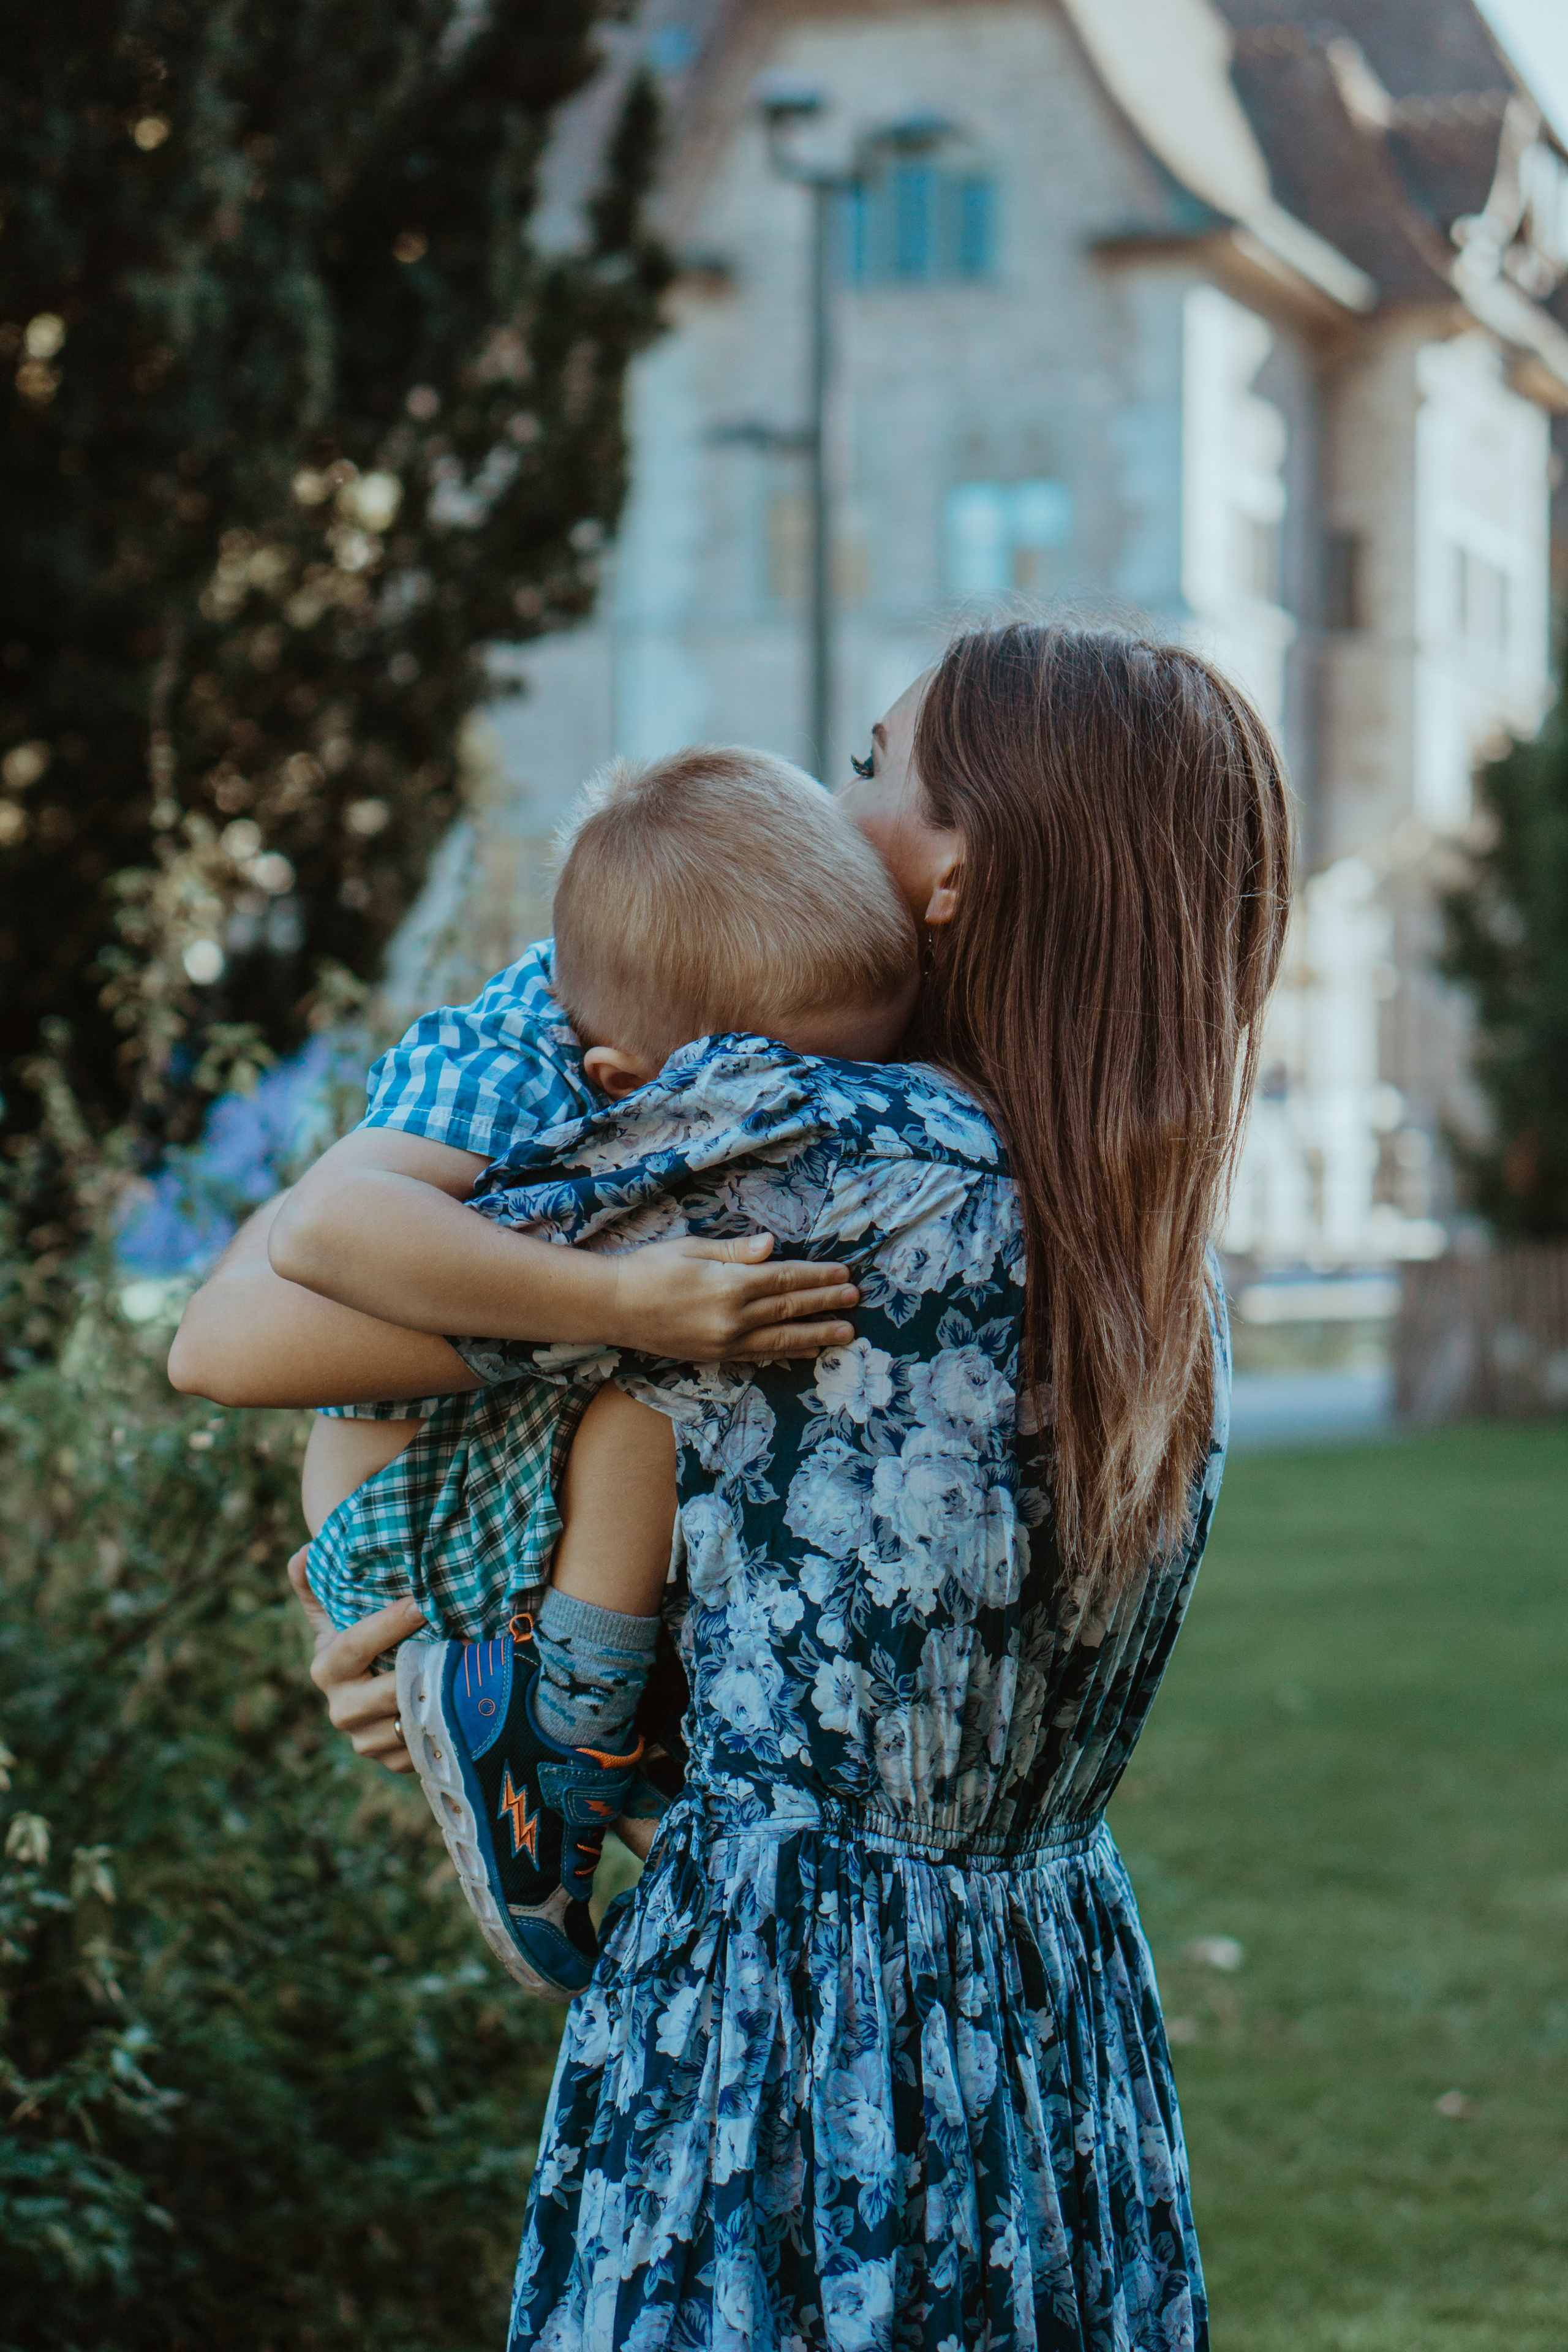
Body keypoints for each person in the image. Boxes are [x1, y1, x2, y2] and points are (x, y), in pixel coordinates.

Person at [176, 620, 1292, 2351]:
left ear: (959, 872)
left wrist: (470, 1088)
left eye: (867, 772)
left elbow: (241, 1332)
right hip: (1044, 2016)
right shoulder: (1154, 1252)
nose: (822, 815)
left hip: (786, 2031)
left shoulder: (823, 1156)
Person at [276, 743, 916, 1998]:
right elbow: (319, 1233)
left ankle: (604, 1803)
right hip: (406, 1495)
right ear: (623, 1081)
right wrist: (620, 1302)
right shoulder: (494, 1069)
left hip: (490, 1497)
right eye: (784, 1091)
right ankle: (552, 1755)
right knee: (646, 1401)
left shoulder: (680, 990)